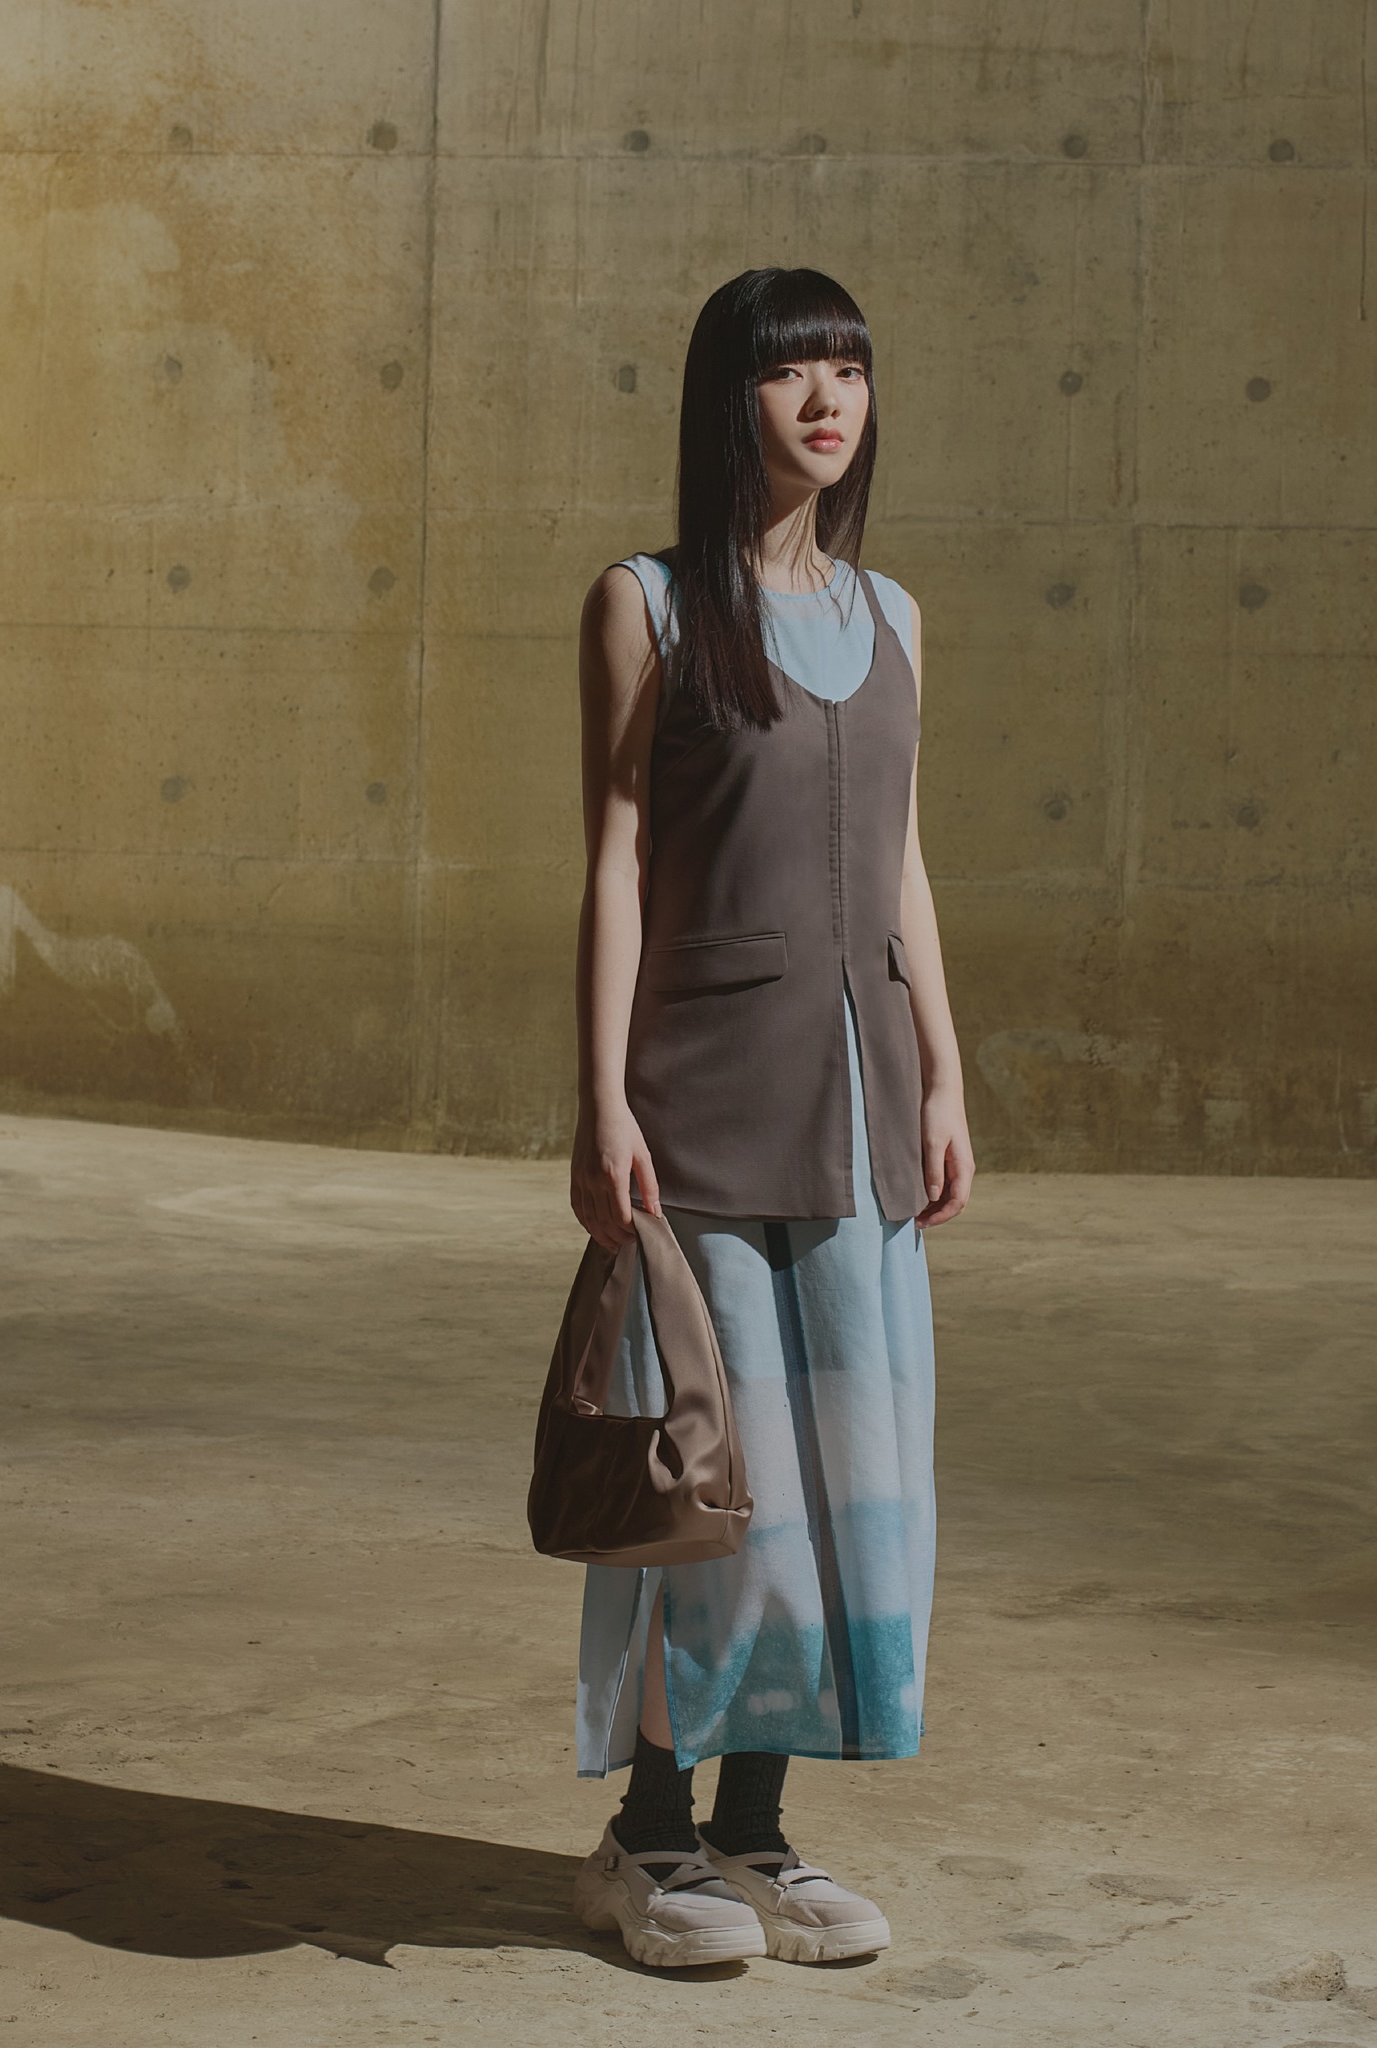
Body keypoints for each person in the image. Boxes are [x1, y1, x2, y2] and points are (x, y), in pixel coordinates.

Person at [566, 267, 974, 1970]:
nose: (826, 401)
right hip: (706, 1105)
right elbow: (614, 859)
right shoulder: (646, 604)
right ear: (725, 399)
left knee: (846, 1483)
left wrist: (942, 1068)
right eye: (790, 371)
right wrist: (598, 1099)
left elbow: (899, 856)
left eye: (849, 372)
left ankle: (754, 1835)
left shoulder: (891, 616)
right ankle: (645, 1840)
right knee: (716, 1489)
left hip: (861, 1105)